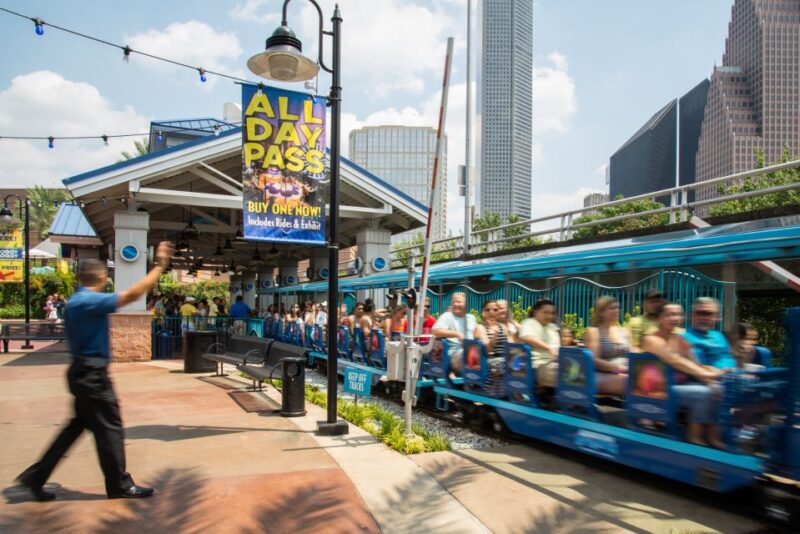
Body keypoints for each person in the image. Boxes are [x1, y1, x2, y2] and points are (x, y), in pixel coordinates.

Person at [16, 242, 175, 501]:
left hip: (82, 372)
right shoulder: (88, 301)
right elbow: (131, 296)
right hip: (93, 375)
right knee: (110, 428)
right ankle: (119, 485)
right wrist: (158, 266)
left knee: (75, 428)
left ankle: (36, 477)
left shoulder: (76, 301)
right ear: (101, 277)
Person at [641, 303, 727, 447]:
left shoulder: (680, 340)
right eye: (670, 315)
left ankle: (712, 435)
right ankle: (693, 435)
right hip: (657, 390)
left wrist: (716, 372)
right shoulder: (651, 339)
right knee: (703, 392)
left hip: (676, 387)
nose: (675, 318)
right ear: (660, 318)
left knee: (718, 389)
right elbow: (674, 360)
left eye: (678, 314)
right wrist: (706, 374)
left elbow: (696, 364)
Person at [584, 296, 630, 395]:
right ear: (601, 312)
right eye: (612, 308)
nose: (617, 310)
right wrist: (621, 368)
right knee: (632, 383)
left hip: (625, 371)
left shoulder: (623, 331)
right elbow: (594, 361)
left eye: (618, 307)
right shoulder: (594, 331)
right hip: (601, 373)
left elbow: (634, 353)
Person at [682, 297, 736, 370]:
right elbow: (696, 367)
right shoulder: (683, 338)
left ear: (718, 317)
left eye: (708, 314)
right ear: (691, 316)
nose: (702, 318)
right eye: (699, 313)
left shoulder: (719, 336)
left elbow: (728, 358)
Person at [518, 299, 560, 387]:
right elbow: (527, 337)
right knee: (566, 376)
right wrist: (548, 348)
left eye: (552, 313)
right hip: (537, 365)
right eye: (546, 312)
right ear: (536, 312)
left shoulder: (553, 327)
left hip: (554, 363)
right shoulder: (529, 323)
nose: (549, 316)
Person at [431, 293, 478, 371]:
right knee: (470, 353)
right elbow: (435, 331)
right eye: (454, 302)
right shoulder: (447, 316)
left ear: (465, 304)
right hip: (454, 353)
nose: (455, 304)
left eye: (459, 302)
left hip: (472, 351)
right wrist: (457, 334)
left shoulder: (471, 318)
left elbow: (476, 333)